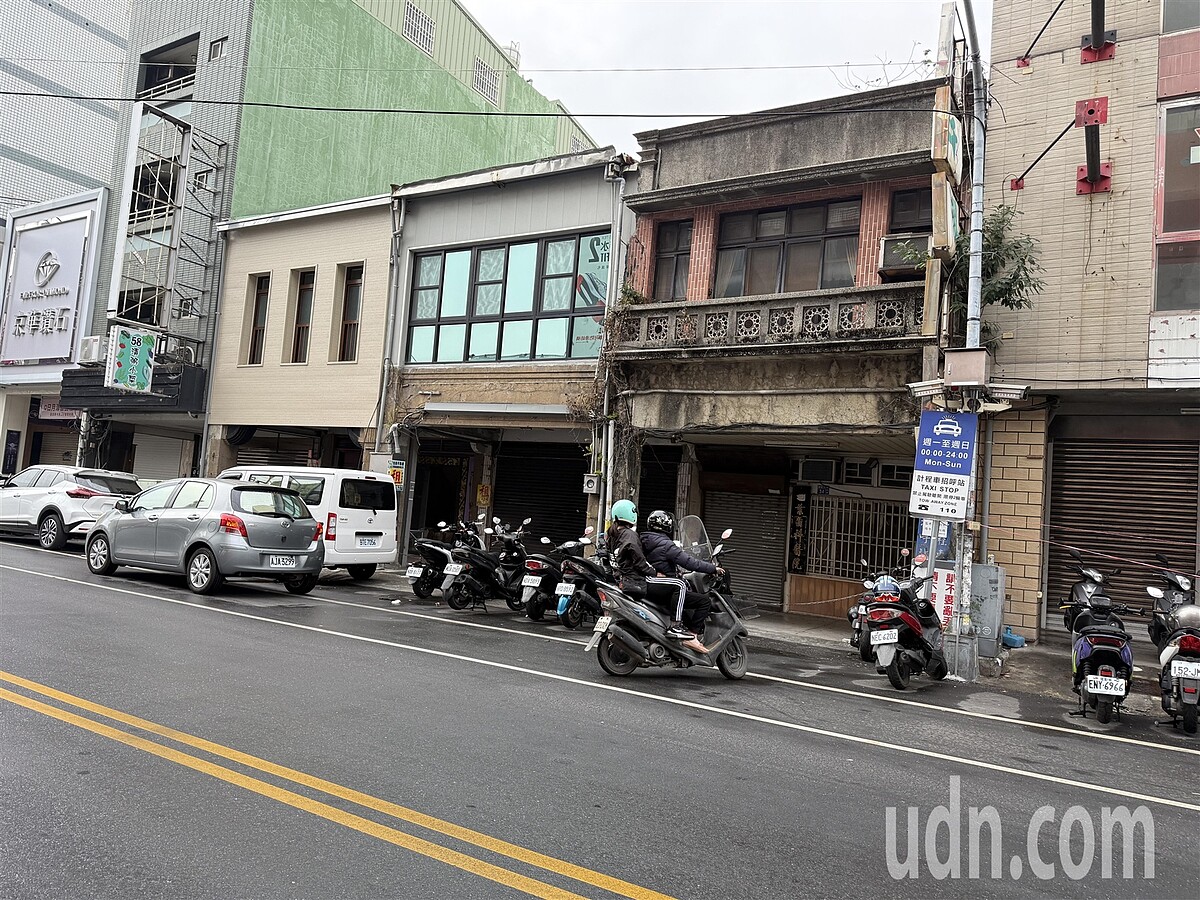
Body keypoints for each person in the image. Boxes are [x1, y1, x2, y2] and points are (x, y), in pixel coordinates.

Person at [606, 499, 707, 653]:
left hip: (623, 580)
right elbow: (639, 559)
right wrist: (654, 572)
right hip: (636, 580)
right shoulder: (630, 536)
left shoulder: (613, 535)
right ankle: (676, 626)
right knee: (679, 585)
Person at [640, 509, 725, 639]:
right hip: (662, 587)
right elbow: (689, 562)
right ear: (667, 526)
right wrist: (712, 568)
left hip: (652, 584)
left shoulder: (645, 540)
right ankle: (688, 634)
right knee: (703, 601)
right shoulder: (666, 545)